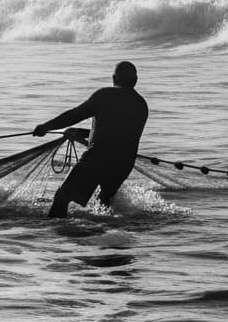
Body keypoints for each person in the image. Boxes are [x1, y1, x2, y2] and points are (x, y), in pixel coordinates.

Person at [33, 61, 149, 217]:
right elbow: (118, 132)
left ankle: (55, 237)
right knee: (103, 205)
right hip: (123, 164)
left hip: (98, 158)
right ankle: (106, 237)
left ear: (114, 78)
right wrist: (80, 132)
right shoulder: (141, 105)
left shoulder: (105, 95)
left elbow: (76, 115)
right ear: (135, 81)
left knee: (62, 197)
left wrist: (47, 126)